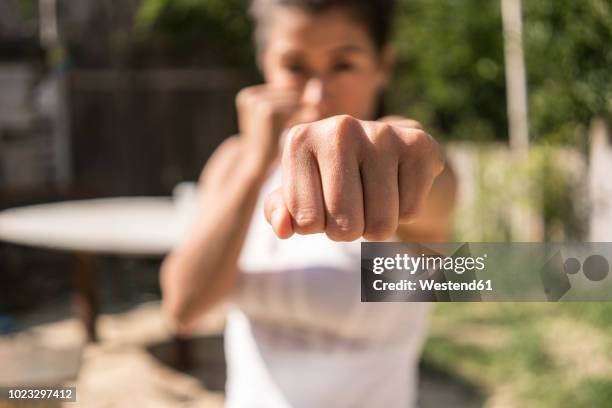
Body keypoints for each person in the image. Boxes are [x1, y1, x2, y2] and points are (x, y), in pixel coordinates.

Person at [160, 0, 457, 406]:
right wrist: (253, 165)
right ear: (266, 63)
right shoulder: (233, 160)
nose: (317, 95)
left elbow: (427, 176)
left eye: (343, 65)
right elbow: (184, 309)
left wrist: (403, 149)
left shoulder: (399, 160)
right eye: (295, 67)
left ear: (382, 65)